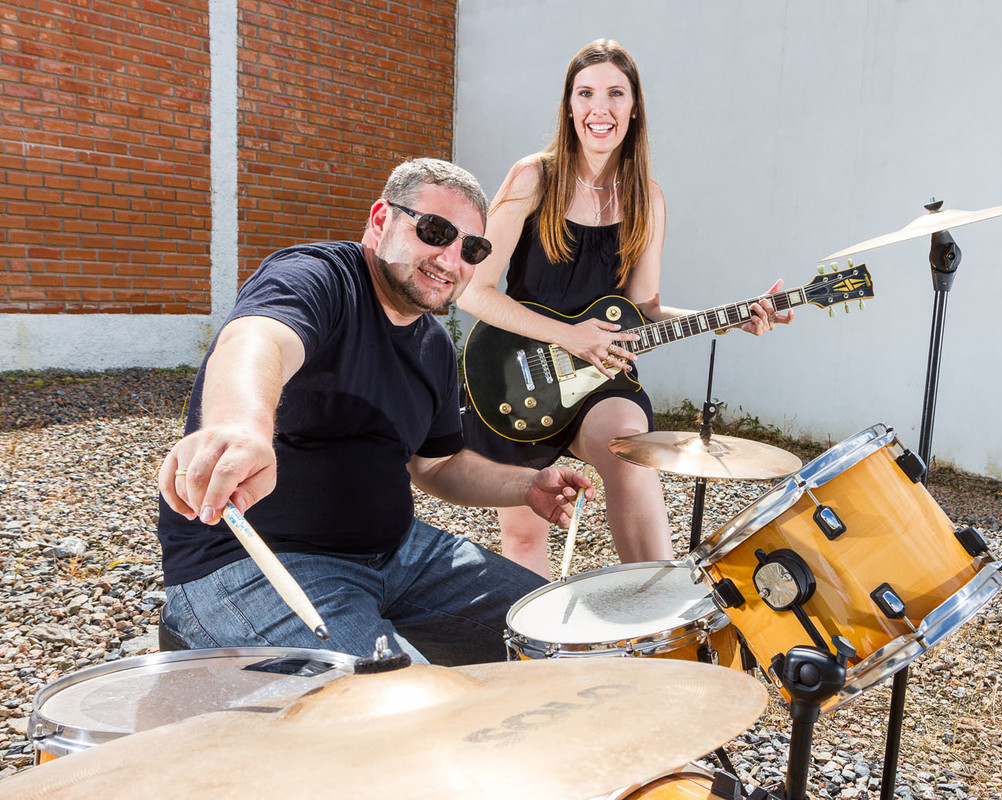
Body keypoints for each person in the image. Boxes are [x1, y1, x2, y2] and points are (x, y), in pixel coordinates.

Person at [156, 158, 591, 666]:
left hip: (402, 556)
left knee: (567, 639)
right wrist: (239, 426)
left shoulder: (434, 346)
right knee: (401, 714)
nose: (451, 259)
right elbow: (257, 339)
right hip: (256, 562)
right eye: (434, 231)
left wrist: (524, 486)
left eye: (472, 248)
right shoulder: (317, 278)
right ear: (381, 219)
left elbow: (438, 465)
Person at [456, 39, 792, 578]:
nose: (600, 107)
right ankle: (531, 658)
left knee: (630, 453)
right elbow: (473, 290)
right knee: (524, 535)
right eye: (586, 93)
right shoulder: (532, 179)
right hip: (513, 372)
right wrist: (568, 336)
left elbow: (644, 307)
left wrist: (731, 318)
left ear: (634, 108)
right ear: (569, 106)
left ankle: (661, 617)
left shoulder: (646, 198)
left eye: (615, 93)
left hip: (602, 375)